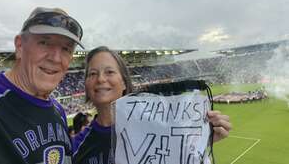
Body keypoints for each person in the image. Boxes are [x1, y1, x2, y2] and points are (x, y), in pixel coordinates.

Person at [72, 46, 232, 164]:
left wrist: (199, 140)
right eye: (92, 73)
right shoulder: (76, 147)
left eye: (109, 72)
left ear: (124, 82)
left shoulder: (160, 126)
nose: (100, 79)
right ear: (86, 84)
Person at [0, 7, 84, 164]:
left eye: (66, 48)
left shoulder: (58, 111)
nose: (56, 58)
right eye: (44, 42)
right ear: (20, 46)